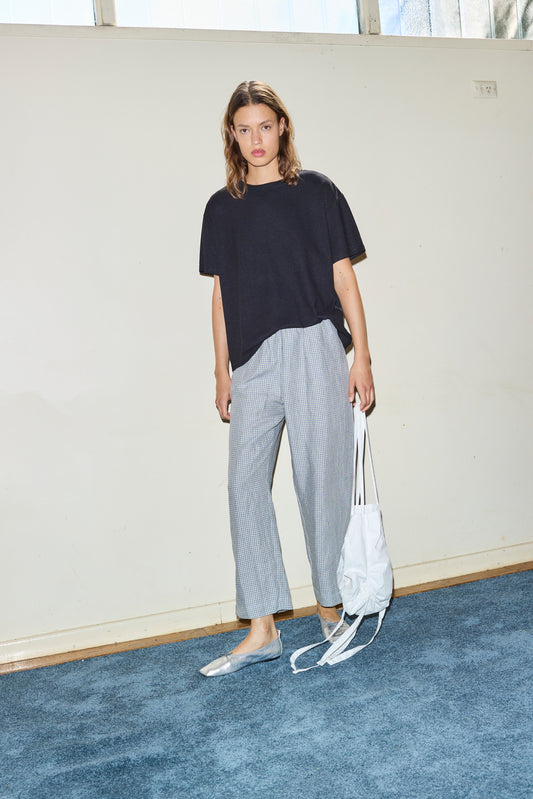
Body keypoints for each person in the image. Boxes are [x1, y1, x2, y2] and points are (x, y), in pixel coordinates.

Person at [198, 81, 374, 677]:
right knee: (244, 484)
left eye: (265, 126)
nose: (255, 139)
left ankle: (332, 608)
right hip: (253, 359)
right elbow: (221, 296)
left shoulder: (318, 193)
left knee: (320, 478)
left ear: (282, 128)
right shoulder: (222, 207)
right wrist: (221, 370)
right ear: (232, 135)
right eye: (243, 129)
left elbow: (344, 278)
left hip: (315, 345)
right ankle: (263, 626)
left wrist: (363, 356)